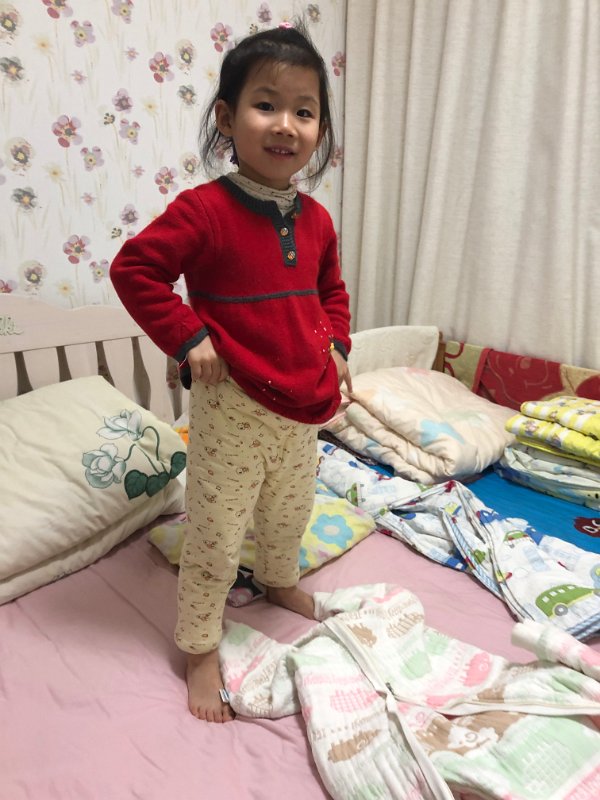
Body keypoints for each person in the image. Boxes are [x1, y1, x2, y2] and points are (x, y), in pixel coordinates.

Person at [110, 21, 352, 723]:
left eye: (304, 111)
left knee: (290, 510)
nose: (286, 125)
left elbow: (330, 292)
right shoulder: (205, 211)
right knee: (216, 532)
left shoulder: (317, 220)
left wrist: (338, 346)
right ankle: (199, 646)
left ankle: (277, 580)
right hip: (233, 403)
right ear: (226, 117)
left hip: (303, 405)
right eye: (265, 104)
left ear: (320, 129)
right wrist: (188, 337)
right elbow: (136, 270)